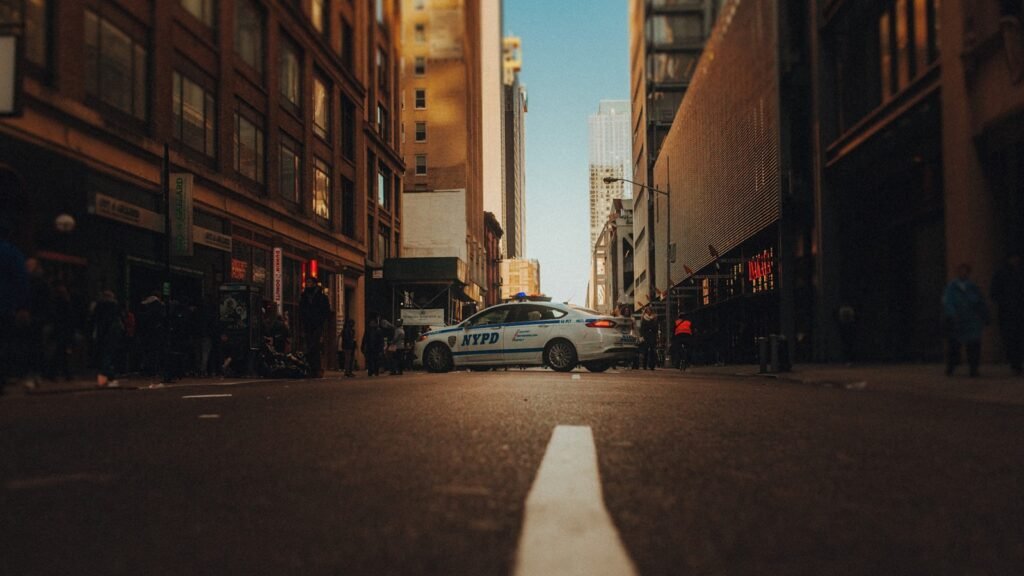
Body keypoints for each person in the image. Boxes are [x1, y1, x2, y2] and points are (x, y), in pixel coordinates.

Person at [943, 263, 990, 377]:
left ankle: (973, 369)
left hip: (972, 320)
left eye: (965, 271)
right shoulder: (952, 286)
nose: (963, 273)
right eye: (961, 271)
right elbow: (948, 301)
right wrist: (952, 314)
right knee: (954, 345)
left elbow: (980, 302)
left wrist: (984, 316)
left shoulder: (973, 287)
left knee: (973, 346)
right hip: (957, 319)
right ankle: (951, 366)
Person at [0, 219, 29, 393]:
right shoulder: (13, 253)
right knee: (4, 344)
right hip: (6, 306)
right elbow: (22, 281)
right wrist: (22, 306)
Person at [991, 253, 1024, 375]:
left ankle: (1018, 363)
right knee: (1010, 338)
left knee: (1019, 338)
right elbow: (994, 293)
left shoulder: (1020, 272)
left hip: (1019, 312)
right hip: (1007, 313)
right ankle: (1015, 364)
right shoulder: (1001, 273)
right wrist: (1005, 302)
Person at [298, 276, 332, 378]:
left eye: (309, 282)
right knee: (309, 346)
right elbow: (301, 310)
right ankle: (310, 368)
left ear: (314, 284)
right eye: (307, 282)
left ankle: (316, 368)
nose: (307, 284)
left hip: (317, 325)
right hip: (307, 325)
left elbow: (326, 311)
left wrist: (321, 321)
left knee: (315, 346)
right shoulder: (304, 296)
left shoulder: (321, 297)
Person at [91, 290, 124, 388]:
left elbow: (95, 319)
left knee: (104, 356)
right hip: (111, 333)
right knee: (108, 356)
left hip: (103, 332)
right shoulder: (115, 307)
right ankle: (110, 378)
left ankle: (103, 380)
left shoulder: (100, 306)